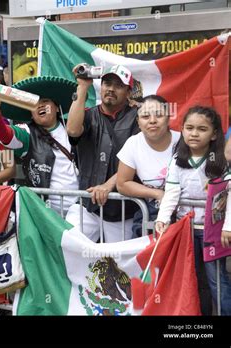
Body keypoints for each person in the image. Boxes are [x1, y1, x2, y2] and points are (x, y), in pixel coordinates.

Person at [156, 106, 231, 316]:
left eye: (202, 129)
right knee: (193, 277)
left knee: (217, 280)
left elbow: (228, 196)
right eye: (189, 128)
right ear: (182, 130)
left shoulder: (220, 162)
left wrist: (228, 227)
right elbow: (171, 192)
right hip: (186, 230)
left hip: (213, 232)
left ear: (214, 133)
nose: (194, 133)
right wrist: (162, 219)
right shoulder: (176, 160)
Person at [65, 64, 140, 243]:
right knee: (67, 246)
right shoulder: (89, 115)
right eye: (107, 83)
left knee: (119, 266)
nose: (111, 89)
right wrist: (82, 87)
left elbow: (137, 161)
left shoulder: (139, 117)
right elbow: (73, 131)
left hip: (123, 210)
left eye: (118, 85)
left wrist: (108, 186)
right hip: (88, 206)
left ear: (129, 92)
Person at [0, 76, 79, 216]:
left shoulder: (74, 128)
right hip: (45, 212)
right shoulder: (27, 132)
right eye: (35, 104)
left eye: (45, 101)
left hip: (80, 208)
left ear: (56, 107)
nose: (40, 105)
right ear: (31, 113)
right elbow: (5, 135)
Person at [116, 95, 180, 238]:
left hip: (183, 216)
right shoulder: (133, 144)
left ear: (168, 118)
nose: (152, 121)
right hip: (150, 216)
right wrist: (157, 194)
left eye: (159, 115)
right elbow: (122, 184)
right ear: (138, 122)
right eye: (145, 116)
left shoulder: (183, 142)